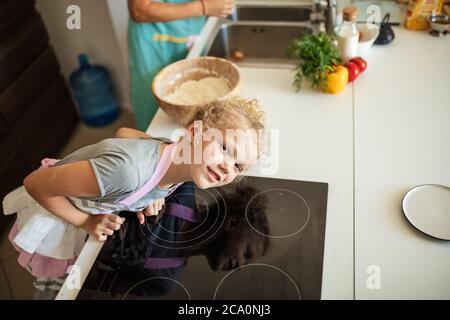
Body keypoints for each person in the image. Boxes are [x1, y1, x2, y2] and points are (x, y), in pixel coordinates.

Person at [2, 95, 264, 298]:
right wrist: (85, 222)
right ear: (195, 133)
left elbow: (124, 134)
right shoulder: (127, 173)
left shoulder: (176, 164)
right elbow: (34, 183)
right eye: (226, 148)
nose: (228, 166)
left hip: (77, 204)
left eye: (239, 166)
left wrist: (153, 191)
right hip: (55, 211)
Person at [80, 181, 270, 299]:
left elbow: (94, 281)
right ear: (233, 223)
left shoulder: (164, 283)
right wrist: (155, 187)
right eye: (247, 252)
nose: (240, 265)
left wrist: (85, 247)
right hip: (72, 201)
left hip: (61, 249)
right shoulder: (182, 189)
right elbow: (133, 145)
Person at [127, 0, 235, 130]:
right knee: (156, 112)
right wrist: (203, 7)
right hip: (154, 42)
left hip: (189, 34)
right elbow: (139, 10)